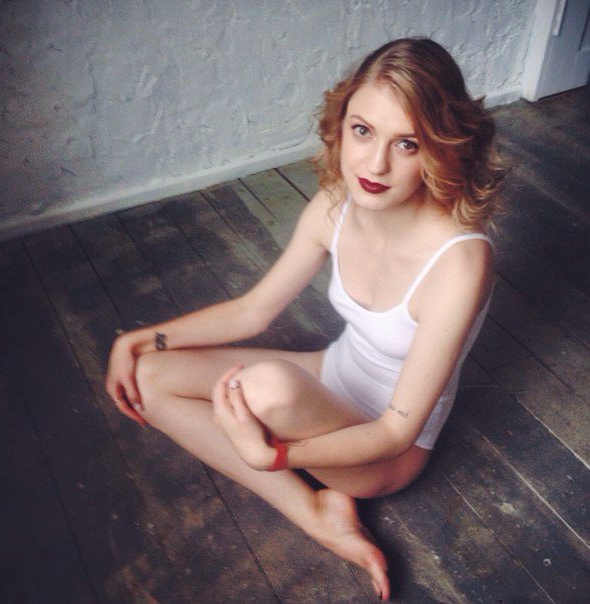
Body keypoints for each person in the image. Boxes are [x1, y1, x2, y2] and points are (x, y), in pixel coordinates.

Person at [106, 38, 503, 601]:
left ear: (441, 149)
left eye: (406, 143)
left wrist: (277, 455)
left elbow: (396, 431)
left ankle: (314, 496)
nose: (375, 164)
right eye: (363, 131)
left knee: (265, 390)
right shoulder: (336, 204)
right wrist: (140, 340)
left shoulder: (460, 261)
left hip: (386, 451)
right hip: (330, 377)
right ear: (341, 126)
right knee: (147, 376)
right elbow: (253, 311)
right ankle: (315, 509)